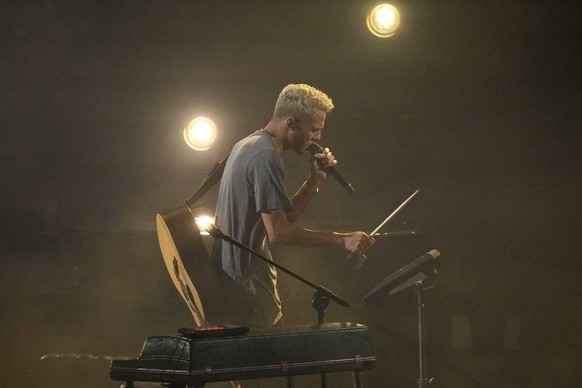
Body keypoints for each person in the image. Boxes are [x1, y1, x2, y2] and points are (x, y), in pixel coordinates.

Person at [212, 84, 375, 328]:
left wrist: (313, 182)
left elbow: (280, 222)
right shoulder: (266, 157)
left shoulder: (247, 144)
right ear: (291, 123)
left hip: (233, 286)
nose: (317, 138)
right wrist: (343, 239)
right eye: (314, 130)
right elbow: (280, 234)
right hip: (248, 290)